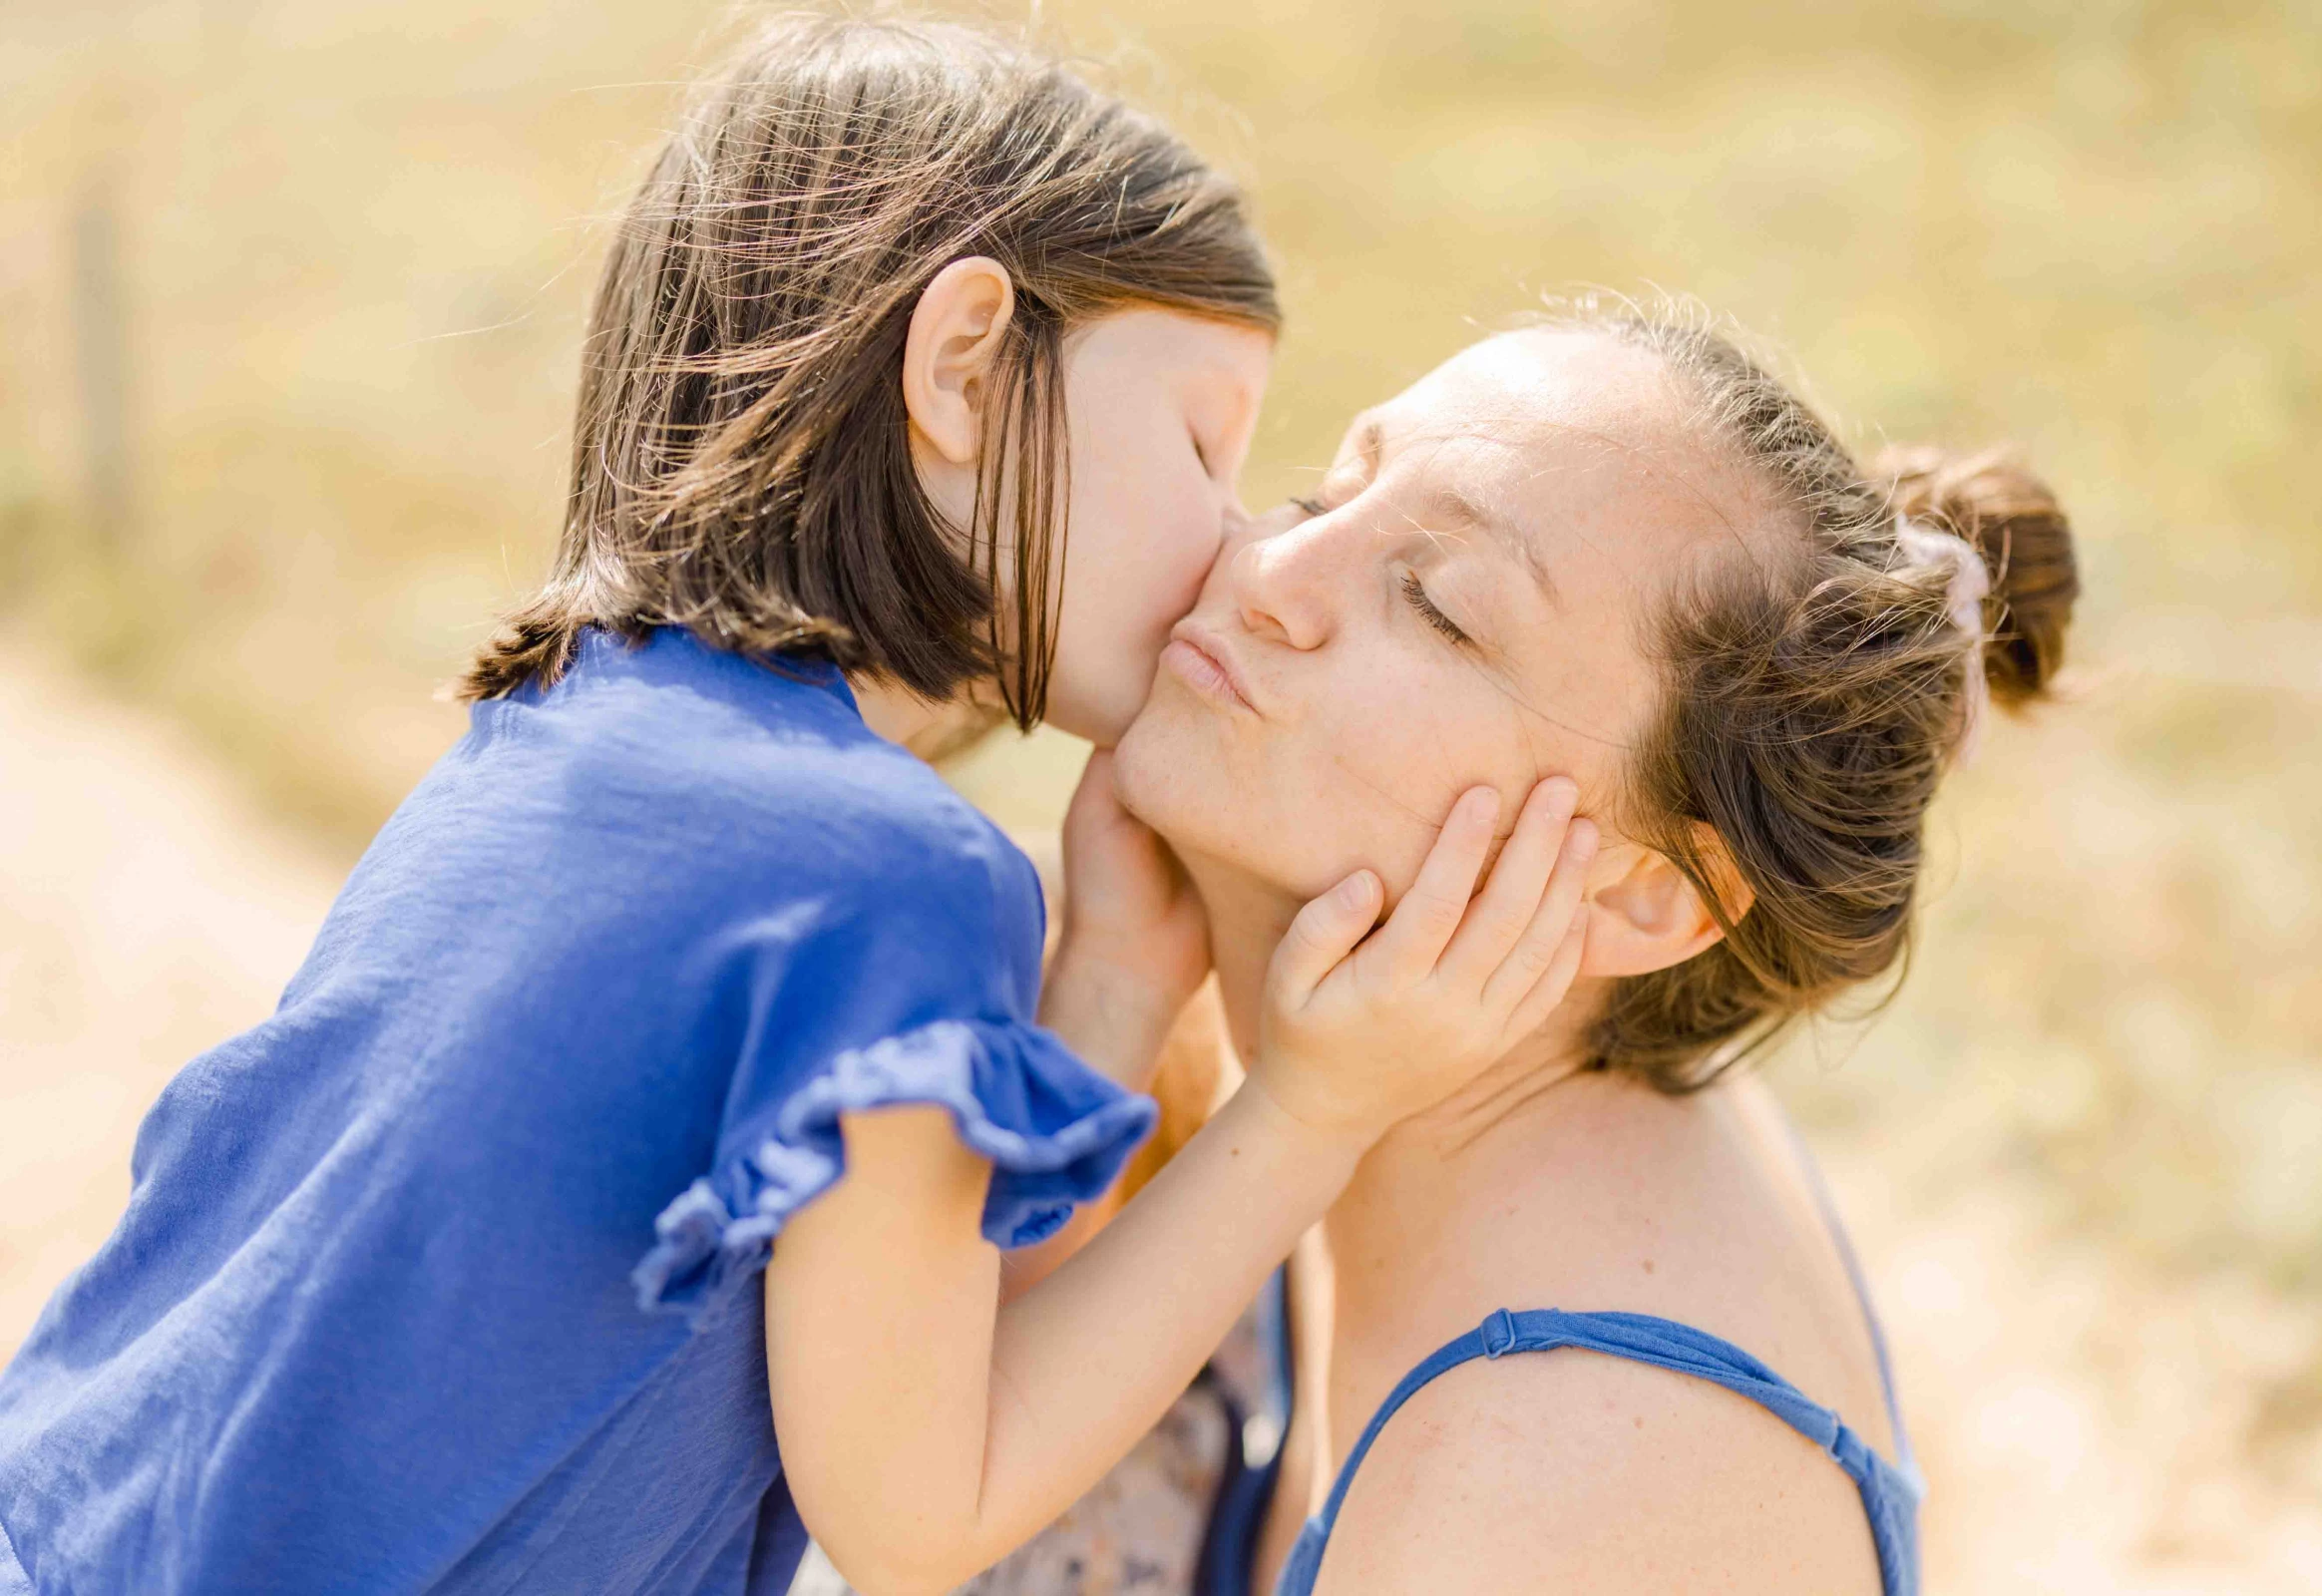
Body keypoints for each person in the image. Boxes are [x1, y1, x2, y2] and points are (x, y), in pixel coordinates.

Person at [0, 19, 1596, 1595]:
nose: (1235, 543)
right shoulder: (882, 878)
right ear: (965, 367)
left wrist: (1112, 974)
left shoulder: (583, 727)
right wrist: (1317, 1104)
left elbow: (904, 1325)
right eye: (1200, 443)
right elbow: (922, 1508)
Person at [1107, 301, 2080, 1594]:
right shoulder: (1347, 1055)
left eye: (1439, 609)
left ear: (1648, 896)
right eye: (1326, 489)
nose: (1268, 577)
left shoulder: (1553, 1483)